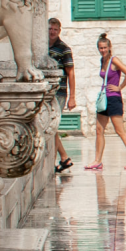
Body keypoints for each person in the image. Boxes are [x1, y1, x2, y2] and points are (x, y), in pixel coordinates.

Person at [85, 33, 126, 172]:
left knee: (119, 130)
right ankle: (97, 161)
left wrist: (120, 87)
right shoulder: (102, 61)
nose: (102, 50)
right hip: (104, 99)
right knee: (99, 130)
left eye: (104, 47)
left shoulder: (114, 60)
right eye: (100, 48)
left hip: (114, 98)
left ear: (109, 47)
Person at [47, 18, 77, 173]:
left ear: (59, 31)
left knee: (51, 127)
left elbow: (71, 73)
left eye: (55, 29)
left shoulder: (64, 49)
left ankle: (59, 160)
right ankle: (64, 157)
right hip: (45, 92)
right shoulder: (41, 47)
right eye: (50, 29)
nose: (52, 32)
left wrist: (72, 96)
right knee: (49, 126)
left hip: (59, 92)